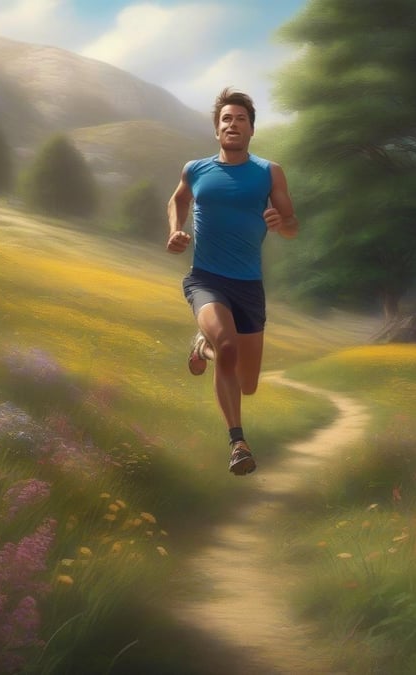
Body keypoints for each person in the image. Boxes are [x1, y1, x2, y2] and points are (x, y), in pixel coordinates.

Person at [166, 87, 298, 476]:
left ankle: (201, 348)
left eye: (241, 119)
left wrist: (281, 223)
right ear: (217, 129)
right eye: (226, 119)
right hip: (206, 279)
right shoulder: (196, 169)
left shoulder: (268, 172)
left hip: (249, 286)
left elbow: (291, 225)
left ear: (251, 130)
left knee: (249, 383)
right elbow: (178, 200)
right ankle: (237, 442)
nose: (233, 124)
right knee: (227, 343)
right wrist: (175, 230)